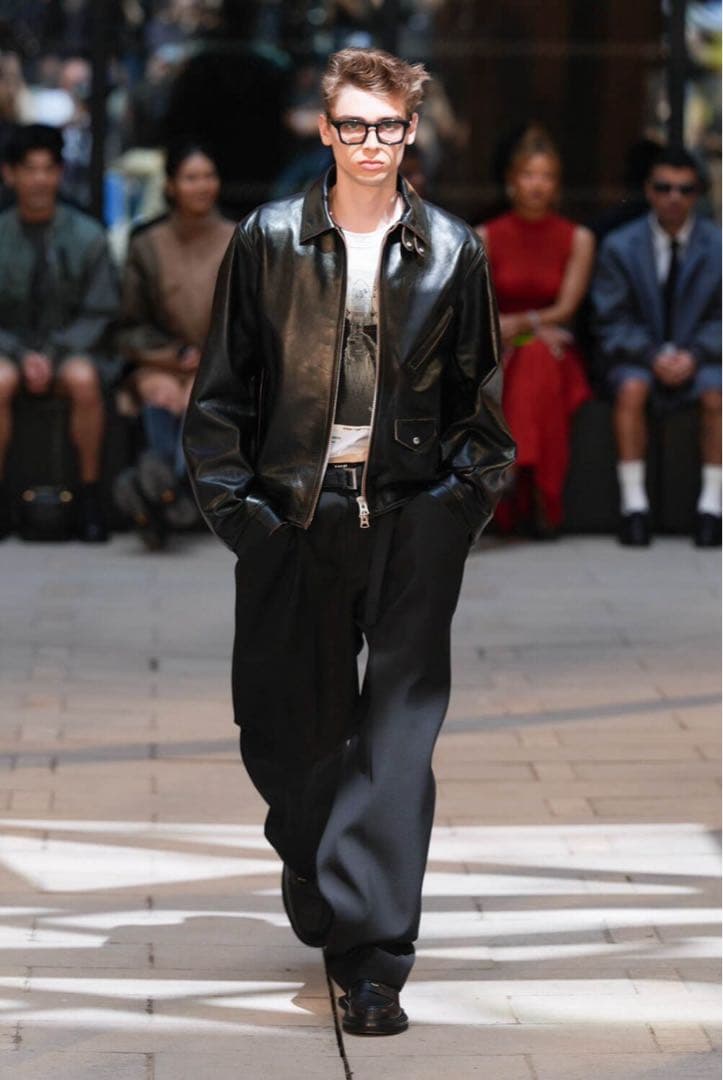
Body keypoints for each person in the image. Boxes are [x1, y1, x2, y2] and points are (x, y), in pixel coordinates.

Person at [183, 48, 514, 1035]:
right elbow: (220, 396)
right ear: (326, 131)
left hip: (411, 517)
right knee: (285, 733)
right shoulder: (268, 240)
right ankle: (312, 851)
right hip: (295, 517)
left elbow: (480, 409)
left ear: (411, 133)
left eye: (389, 126)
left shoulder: (453, 251)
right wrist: (244, 519)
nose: (373, 143)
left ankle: (374, 961)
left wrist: (455, 510)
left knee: (396, 747)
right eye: (355, 125)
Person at [592, 146, 721, 547]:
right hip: (638, 357)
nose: (674, 197)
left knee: (717, 394)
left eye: (685, 189)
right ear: (648, 190)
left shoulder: (718, 245)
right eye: (664, 187)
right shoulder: (620, 245)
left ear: (697, 194)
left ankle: (712, 508)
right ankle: (634, 507)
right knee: (631, 389)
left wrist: (694, 355)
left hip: (702, 357)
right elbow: (610, 318)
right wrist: (652, 355)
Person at [0, 123, 118, 541]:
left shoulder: (87, 235)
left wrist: (51, 354)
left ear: (60, 173)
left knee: (84, 380)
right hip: (8, 350)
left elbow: (100, 310)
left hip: (71, 350)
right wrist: (20, 354)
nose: (39, 179)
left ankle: (89, 497)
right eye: (29, 169)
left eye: (48, 169)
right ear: (10, 174)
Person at [477, 127, 595, 537]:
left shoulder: (577, 238)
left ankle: (510, 473)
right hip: (500, 348)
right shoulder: (486, 236)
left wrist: (524, 324)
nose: (537, 185)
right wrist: (515, 330)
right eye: (529, 174)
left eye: (546, 176)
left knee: (539, 357)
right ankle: (543, 498)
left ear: (557, 185)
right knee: (532, 359)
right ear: (512, 180)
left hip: (550, 350)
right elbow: (480, 309)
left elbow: (565, 309)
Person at [115, 142, 234, 547]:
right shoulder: (147, 243)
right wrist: (173, 356)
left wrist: (208, 359)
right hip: (162, 362)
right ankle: (172, 495)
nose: (202, 186)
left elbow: (250, 319)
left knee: (198, 397)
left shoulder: (239, 238)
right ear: (170, 186)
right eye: (191, 178)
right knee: (161, 391)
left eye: (209, 176)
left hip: (220, 363)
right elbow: (129, 324)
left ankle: (155, 493)